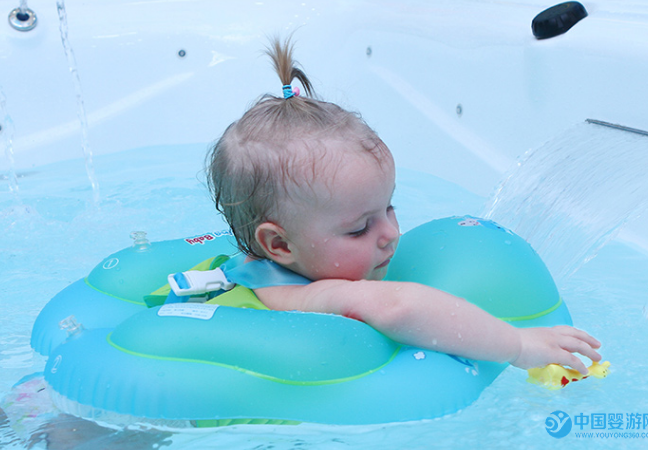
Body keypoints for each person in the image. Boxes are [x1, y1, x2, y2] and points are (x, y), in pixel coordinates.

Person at [206, 36, 601, 374]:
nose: (392, 233)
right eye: (360, 227)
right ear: (279, 245)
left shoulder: (268, 268)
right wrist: (516, 345)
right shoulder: (302, 295)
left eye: (389, 208)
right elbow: (398, 308)